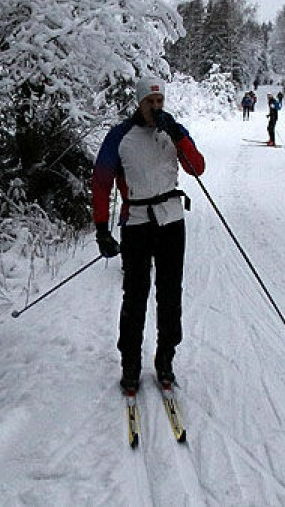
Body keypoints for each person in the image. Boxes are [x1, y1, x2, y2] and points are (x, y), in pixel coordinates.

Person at [91, 76, 206, 394]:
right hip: (137, 222)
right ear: (139, 102)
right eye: (149, 102)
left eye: (160, 102)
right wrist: (102, 228)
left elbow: (197, 168)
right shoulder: (119, 136)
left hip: (171, 221)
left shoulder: (173, 131)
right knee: (135, 294)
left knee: (170, 295)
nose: (155, 108)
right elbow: (101, 183)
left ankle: (165, 358)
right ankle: (130, 362)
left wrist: (179, 136)